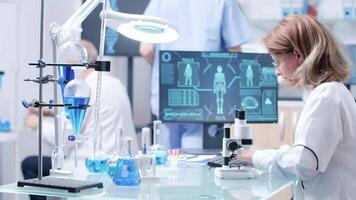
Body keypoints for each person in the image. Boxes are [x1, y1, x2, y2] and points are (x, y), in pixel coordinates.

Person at [237, 15, 356, 199]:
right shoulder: (333, 92)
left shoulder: (326, 96)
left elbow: (304, 164)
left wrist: (253, 157)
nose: (276, 70)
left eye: (278, 61)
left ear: (298, 55)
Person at [22, 40, 137, 200]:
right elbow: (87, 112)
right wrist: (50, 111)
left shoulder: (83, 87)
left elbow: (66, 137)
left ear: (72, 65)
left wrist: (38, 124)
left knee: (29, 164)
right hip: (116, 164)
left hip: (87, 168)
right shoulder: (114, 82)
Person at [139, 0, 252, 149]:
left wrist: (167, 69)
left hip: (167, 96)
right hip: (205, 100)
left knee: (166, 160)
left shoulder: (160, 2)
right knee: (200, 163)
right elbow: (234, 51)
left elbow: (146, 50)